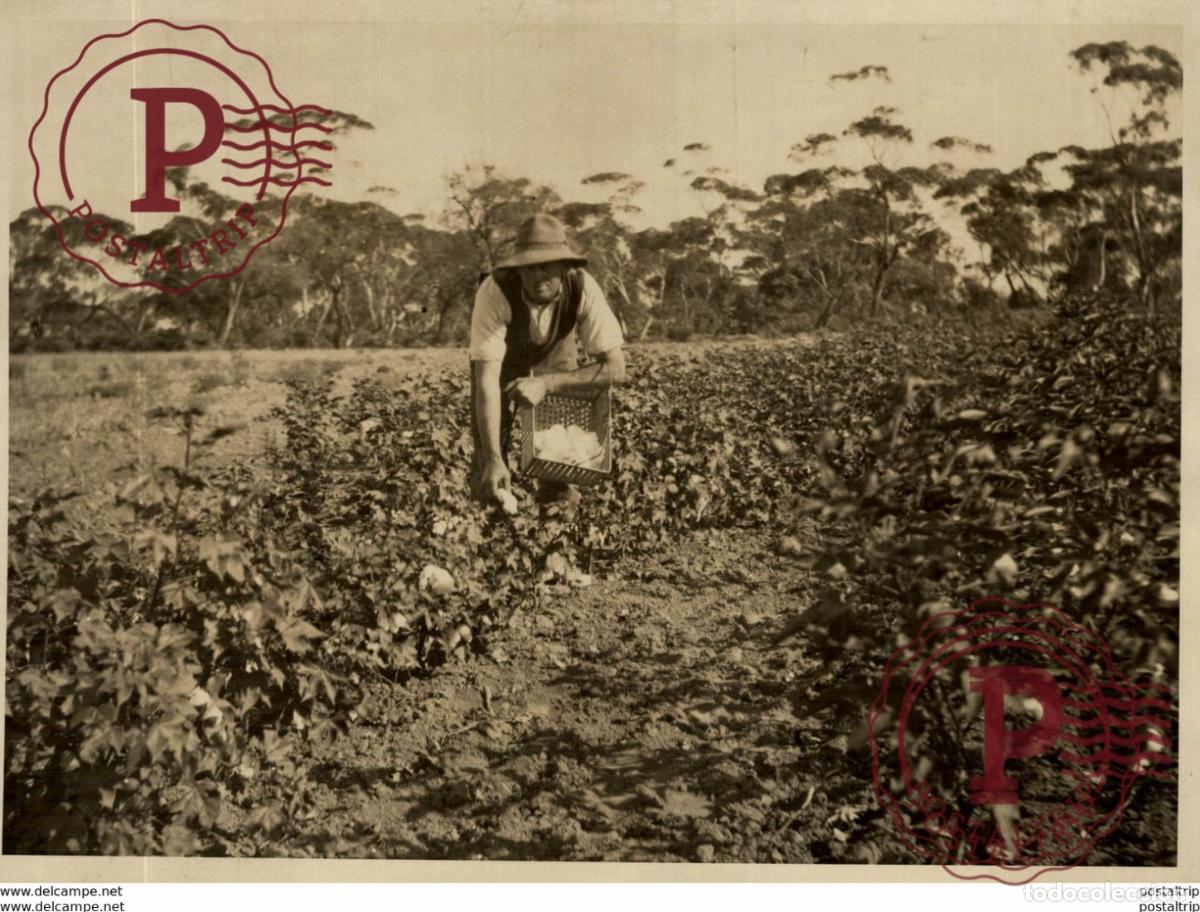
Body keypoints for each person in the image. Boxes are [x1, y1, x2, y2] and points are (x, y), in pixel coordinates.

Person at [469, 213, 626, 505]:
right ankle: (493, 509)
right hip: (503, 360)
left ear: (565, 266)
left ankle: (555, 512)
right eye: (528, 267)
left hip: (556, 353)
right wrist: (492, 457)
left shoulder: (581, 288)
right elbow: (486, 379)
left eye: (546, 266)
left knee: (559, 443)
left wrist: (548, 384)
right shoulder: (494, 290)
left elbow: (616, 369)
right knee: (488, 462)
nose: (536, 275)